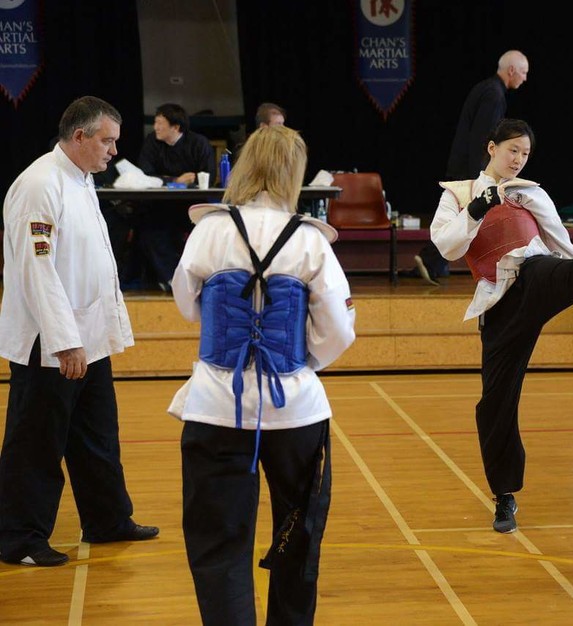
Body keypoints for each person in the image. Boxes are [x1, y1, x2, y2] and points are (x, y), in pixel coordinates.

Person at [168, 124, 355, 624]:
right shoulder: (312, 241)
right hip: (295, 411)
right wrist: (299, 363)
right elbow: (337, 330)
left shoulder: (210, 228)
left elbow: (188, 305)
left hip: (215, 407)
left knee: (218, 541)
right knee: (299, 535)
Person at [430, 119, 573, 534]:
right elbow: (447, 246)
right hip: (499, 304)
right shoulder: (458, 193)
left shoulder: (532, 193)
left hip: (537, 273)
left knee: (570, 267)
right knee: (494, 403)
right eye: (512, 151)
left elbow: (567, 247)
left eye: (525, 153)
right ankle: (504, 496)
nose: (519, 160)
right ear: (492, 148)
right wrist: (478, 207)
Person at [0, 96, 159, 568]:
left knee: (96, 435)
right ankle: (18, 538)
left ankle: (108, 519)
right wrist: (64, 340)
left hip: (88, 336)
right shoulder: (39, 184)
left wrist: (101, 333)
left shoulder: (82, 179)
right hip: (49, 343)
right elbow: (37, 269)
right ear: (79, 137)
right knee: (36, 442)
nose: (114, 151)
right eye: (107, 141)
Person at [411, 50, 530, 285]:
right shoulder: (494, 95)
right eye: (524, 72)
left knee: (461, 218)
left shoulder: (487, 88)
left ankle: (434, 263)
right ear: (512, 70)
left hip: (465, 163)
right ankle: (430, 260)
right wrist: (483, 176)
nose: (525, 78)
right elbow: (483, 137)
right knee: (462, 217)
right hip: (471, 168)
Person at [133, 103, 215, 291]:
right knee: (148, 231)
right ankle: (171, 279)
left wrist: (189, 181)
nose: (156, 128)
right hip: (161, 205)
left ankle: (199, 280)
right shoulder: (152, 142)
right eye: (155, 123)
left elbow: (207, 176)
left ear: (175, 127)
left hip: (191, 206)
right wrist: (175, 180)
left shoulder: (199, 143)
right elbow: (144, 174)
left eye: (160, 123)